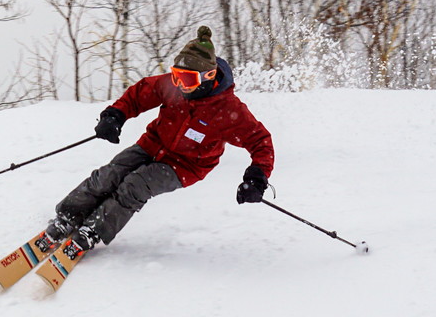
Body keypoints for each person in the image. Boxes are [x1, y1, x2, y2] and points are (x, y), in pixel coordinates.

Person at [46, 26, 275, 251]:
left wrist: (257, 177)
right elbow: (140, 94)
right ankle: (69, 215)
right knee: (109, 174)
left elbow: (260, 141)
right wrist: (115, 115)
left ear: (208, 76)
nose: (180, 86)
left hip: (186, 165)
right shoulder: (174, 87)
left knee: (135, 186)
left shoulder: (228, 110)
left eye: (188, 80)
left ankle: (95, 228)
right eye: (177, 77)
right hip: (152, 144)